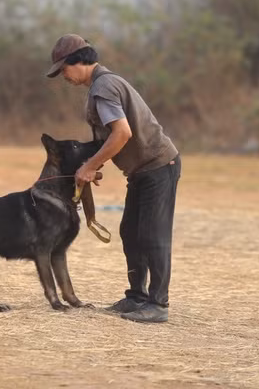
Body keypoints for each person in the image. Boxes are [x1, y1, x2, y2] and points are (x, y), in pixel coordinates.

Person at [46, 33, 181, 324]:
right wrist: (92, 163)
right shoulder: (102, 85)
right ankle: (136, 297)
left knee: (152, 235)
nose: (63, 77)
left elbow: (122, 133)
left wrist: (90, 165)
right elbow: (111, 138)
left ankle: (158, 304)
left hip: (158, 165)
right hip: (142, 169)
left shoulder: (103, 88)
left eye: (63, 69)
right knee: (131, 231)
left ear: (78, 61)